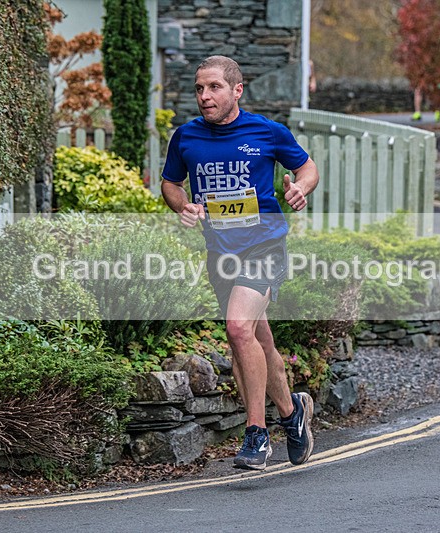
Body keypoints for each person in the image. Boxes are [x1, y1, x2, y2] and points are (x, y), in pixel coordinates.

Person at [161, 55, 320, 470]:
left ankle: (256, 434)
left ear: (237, 90)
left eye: (214, 87)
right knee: (255, 339)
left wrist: (300, 188)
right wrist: (183, 205)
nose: (204, 96)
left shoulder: (267, 131)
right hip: (221, 253)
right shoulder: (186, 137)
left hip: (264, 246)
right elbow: (170, 182)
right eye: (199, 88)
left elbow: (307, 167)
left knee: (236, 328)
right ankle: (292, 413)